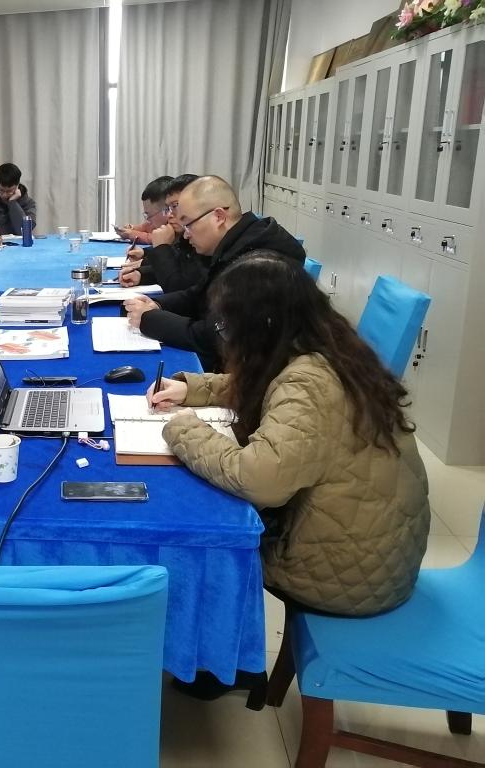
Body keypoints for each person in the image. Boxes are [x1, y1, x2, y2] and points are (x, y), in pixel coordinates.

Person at [149, 251, 430, 700]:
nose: (225, 337)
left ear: (261, 326)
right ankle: (210, 657)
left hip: (345, 573)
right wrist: (194, 388)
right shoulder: (326, 349)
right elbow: (266, 386)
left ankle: (214, 662)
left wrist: (183, 429)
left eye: (227, 327)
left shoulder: (308, 385)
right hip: (375, 549)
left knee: (201, 540)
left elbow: (260, 480)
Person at [124, 175, 305, 371]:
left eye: (188, 224)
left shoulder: (259, 264)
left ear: (218, 216)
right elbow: (201, 293)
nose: (185, 234)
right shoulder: (235, 245)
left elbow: (214, 336)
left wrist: (149, 319)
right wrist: (158, 304)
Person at [120, 173, 207, 293]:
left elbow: (176, 286)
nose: (170, 215)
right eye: (168, 208)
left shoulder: (207, 244)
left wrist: (161, 248)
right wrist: (141, 274)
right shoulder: (185, 237)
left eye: (175, 206)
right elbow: (183, 272)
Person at [114, 174, 173, 244]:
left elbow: (155, 238)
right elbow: (145, 227)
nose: (148, 219)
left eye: (149, 215)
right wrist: (132, 228)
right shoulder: (156, 223)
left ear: (167, 211)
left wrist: (130, 234)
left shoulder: (175, 225)